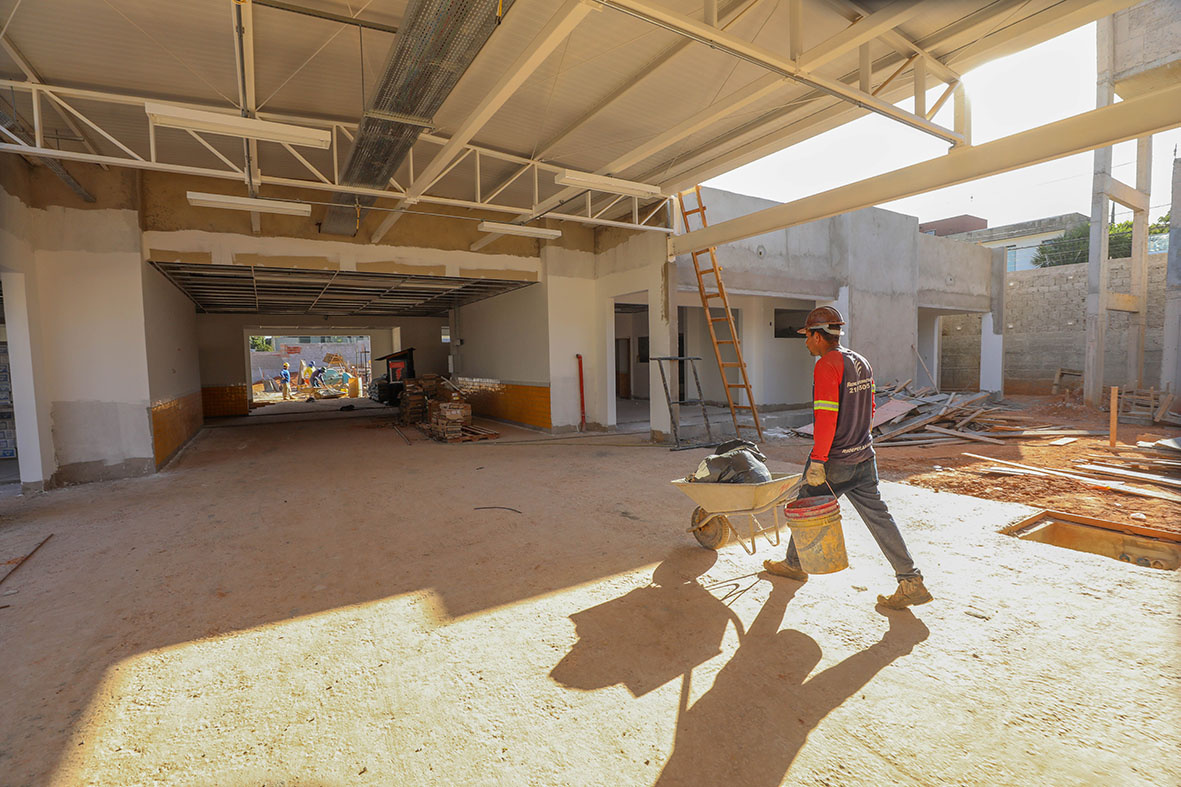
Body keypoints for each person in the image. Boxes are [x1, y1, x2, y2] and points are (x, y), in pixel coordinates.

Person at [763, 306, 933, 610]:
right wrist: (858, 441)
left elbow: (825, 419)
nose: (805, 343)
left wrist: (818, 460)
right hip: (864, 456)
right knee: (880, 518)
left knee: (804, 504)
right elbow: (869, 410)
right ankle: (911, 579)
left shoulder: (827, 365)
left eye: (807, 337)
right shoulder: (861, 361)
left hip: (833, 461)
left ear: (818, 336)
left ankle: (794, 564)